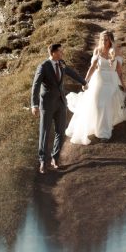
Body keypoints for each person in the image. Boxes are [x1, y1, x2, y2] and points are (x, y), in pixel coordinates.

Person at [65, 30, 126, 145]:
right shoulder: (97, 50)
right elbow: (92, 68)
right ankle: (96, 125)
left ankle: (104, 133)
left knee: (106, 103)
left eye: (106, 39)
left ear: (110, 40)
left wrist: (123, 85)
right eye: (102, 39)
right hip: (98, 80)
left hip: (111, 81)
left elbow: (119, 72)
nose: (103, 41)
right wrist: (85, 81)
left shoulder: (116, 51)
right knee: (97, 104)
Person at [31, 43, 87, 174]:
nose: (62, 53)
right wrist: (34, 105)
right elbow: (36, 86)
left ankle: (55, 159)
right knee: (44, 132)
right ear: (53, 53)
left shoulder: (61, 63)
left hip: (61, 103)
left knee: (60, 131)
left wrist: (84, 82)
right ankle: (42, 162)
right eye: (60, 51)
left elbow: (71, 72)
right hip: (47, 104)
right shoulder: (43, 67)